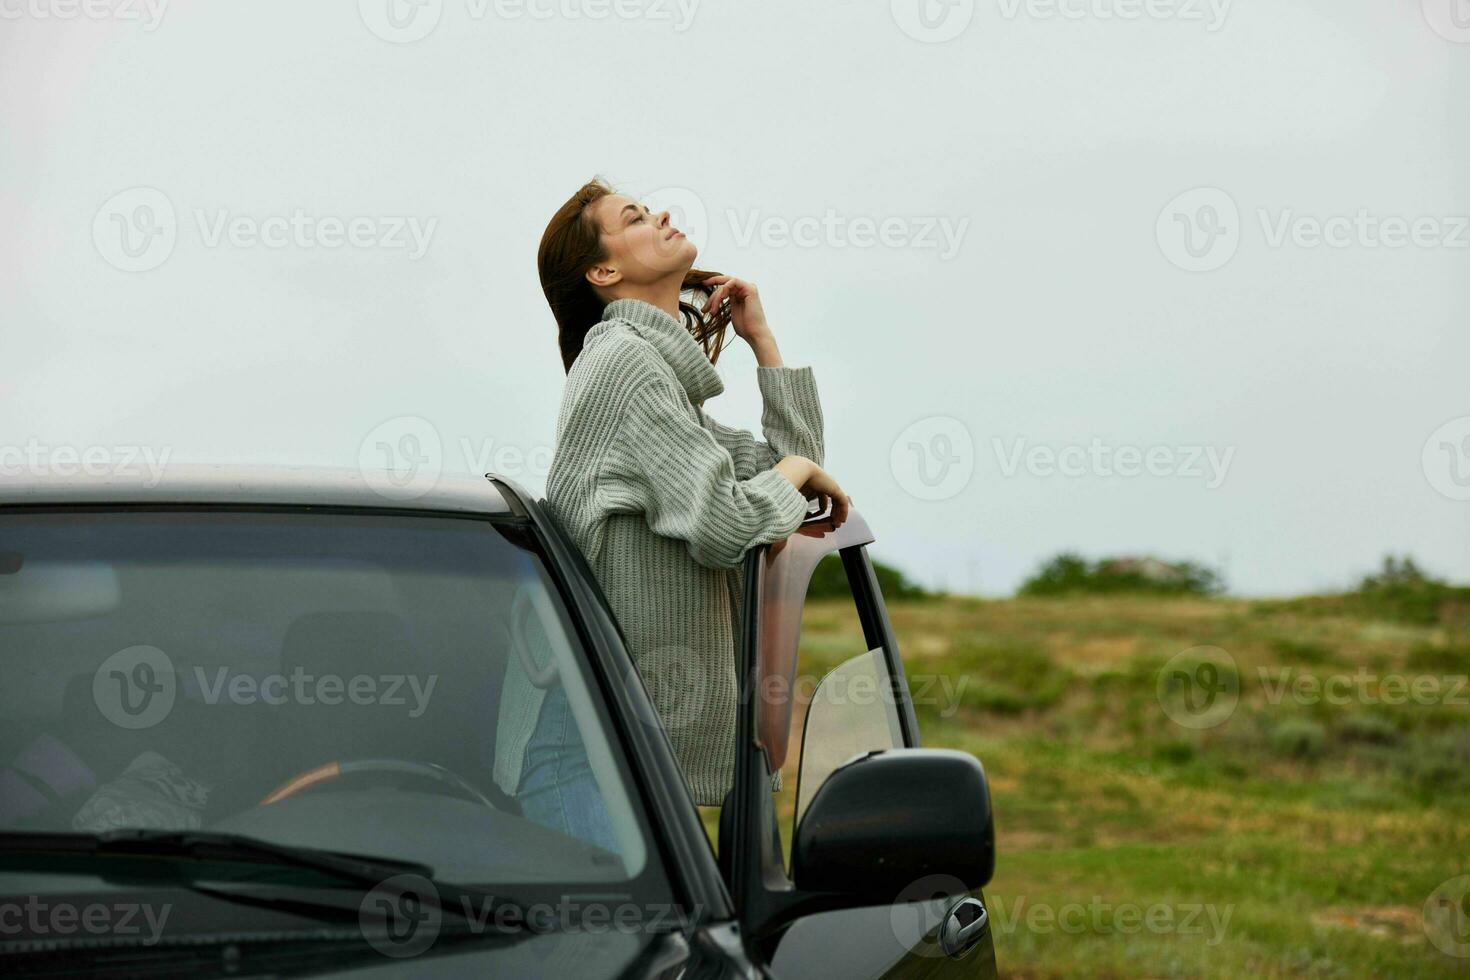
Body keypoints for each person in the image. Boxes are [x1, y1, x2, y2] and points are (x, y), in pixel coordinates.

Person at [494, 177, 849, 845]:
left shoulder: (657, 385)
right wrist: (796, 473)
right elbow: (728, 525)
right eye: (634, 216)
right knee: (626, 947)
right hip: (583, 742)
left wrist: (761, 337)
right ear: (603, 270)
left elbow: (785, 472)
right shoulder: (624, 367)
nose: (660, 214)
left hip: (620, 743)